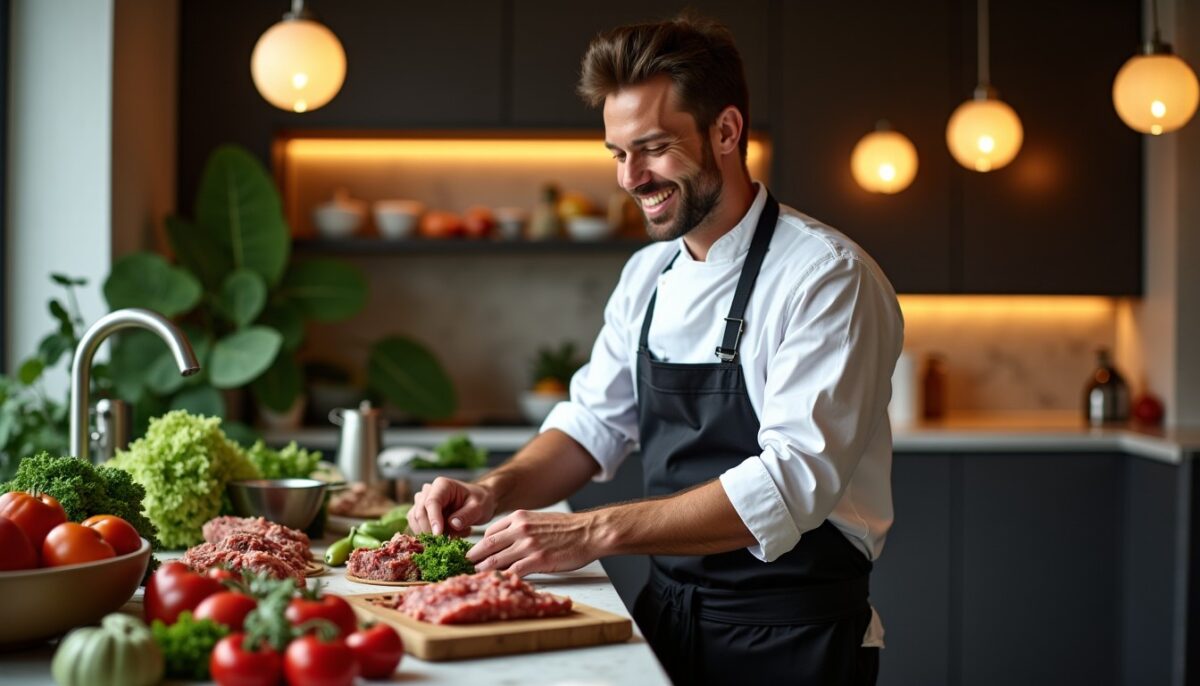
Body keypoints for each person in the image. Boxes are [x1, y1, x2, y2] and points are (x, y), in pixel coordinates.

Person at [407, 15, 903, 685]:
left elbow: (789, 486)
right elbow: (591, 427)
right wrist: (492, 491)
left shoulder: (825, 277)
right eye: (617, 152)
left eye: (654, 148)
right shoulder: (648, 275)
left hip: (791, 636)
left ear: (726, 132)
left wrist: (586, 534)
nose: (630, 178)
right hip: (665, 617)